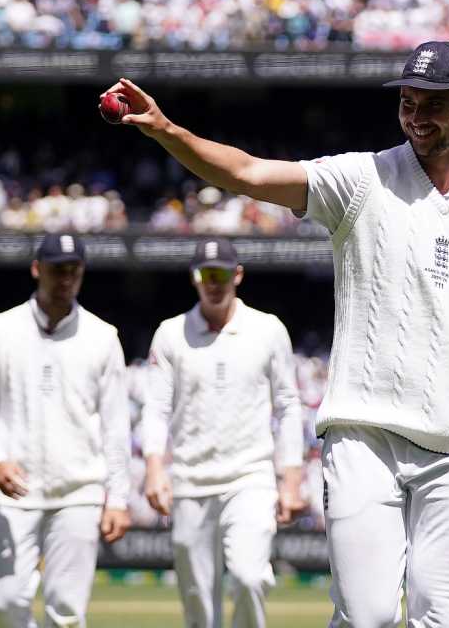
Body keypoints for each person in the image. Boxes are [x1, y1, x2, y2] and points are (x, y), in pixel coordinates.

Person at [102, 40, 449, 626]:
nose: (417, 115)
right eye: (408, 102)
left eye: (433, 103)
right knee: (367, 617)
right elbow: (249, 174)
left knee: (445, 618)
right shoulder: (359, 179)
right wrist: (166, 130)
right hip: (363, 435)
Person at [0, 233, 132, 628]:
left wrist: (119, 498)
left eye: (74, 270)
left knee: (67, 611)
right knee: (5, 600)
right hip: (15, 492)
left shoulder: (102, 336)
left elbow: (115, 425)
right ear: (37, 269)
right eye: (58, 269)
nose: (66, 279)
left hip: (78, 490)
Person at [142, 238, 306, 628]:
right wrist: (153, 469)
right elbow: (156, 409)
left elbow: (288, 405)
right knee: (198, 600)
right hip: (189, 480)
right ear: (194, 278)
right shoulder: (170, 334)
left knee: (250, 578)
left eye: (221, 274)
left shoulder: (267, 330)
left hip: (249, 478)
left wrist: (292, 479)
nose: (214, 283)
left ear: (238, 275)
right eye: (205, 275)